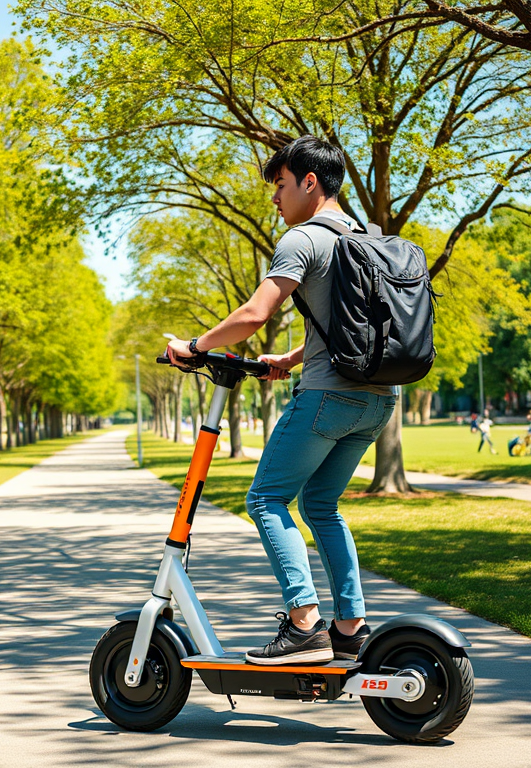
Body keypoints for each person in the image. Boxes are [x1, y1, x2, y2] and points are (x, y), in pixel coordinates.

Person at [165, 136, 397, 665]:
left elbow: (254, 314)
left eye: (281, 185)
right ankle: (350, 627)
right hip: (379, 400)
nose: (275, 199)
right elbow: (354, 329)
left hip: (328, 398)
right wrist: (290, 361)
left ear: (309, 183)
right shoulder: (368, 238)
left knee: (266, 499)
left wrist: (194, 346)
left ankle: (304, 624)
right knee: (320, 505)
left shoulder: (304, 240)